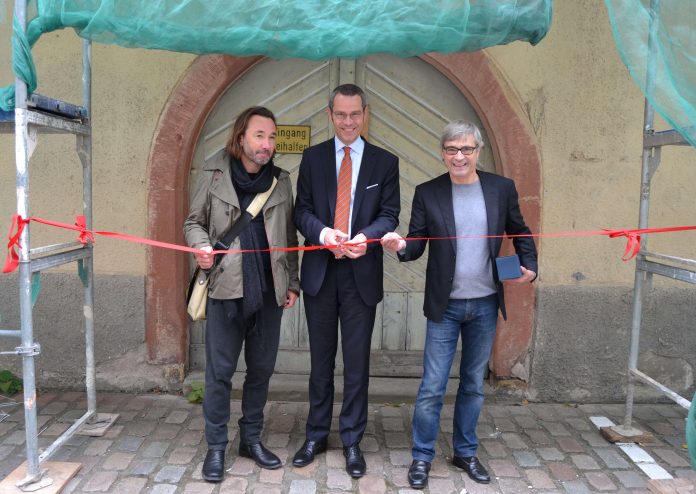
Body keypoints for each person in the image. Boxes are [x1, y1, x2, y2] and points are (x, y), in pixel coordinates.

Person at [381, 121, 537, 489]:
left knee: (472, 384)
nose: (459, 156)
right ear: (443, 153)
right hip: (445, 306)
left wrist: (530, 267)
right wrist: (401, 246)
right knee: (433, 385)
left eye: (466, 149)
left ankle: (465, 452)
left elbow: (521, 230)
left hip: (484, 304)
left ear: (478, 151)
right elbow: (417, 241)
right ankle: (422, 457)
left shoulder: (500, 188)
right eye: (451, 149)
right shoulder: (429, 192)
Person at [184, 106, 300, 483]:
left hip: (269, 293)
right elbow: (193, 223)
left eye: (271, 137)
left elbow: (288, 237)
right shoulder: (213, 173)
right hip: (226, 290)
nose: (267, 144)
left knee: (261, 371)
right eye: (259, 136)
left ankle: (250, 439)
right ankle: (216, 447)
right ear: (241, 138)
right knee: (219, 374)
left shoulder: (281, 181)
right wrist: (201, 247)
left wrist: (293, 283)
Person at [292, 84, 400, 478]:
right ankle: (316, 435)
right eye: (341, 114)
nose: (348, 121)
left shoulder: (385, 162)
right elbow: (300, 211)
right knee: (320, 363)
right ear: (329, 114)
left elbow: (390, 215)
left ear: (365, 113)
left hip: (361, 275)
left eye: (355, 114)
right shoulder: (313, 158)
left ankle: (352, 440)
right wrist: (323, 234)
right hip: (321, 273)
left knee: (356, 366)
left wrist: (364, 238)